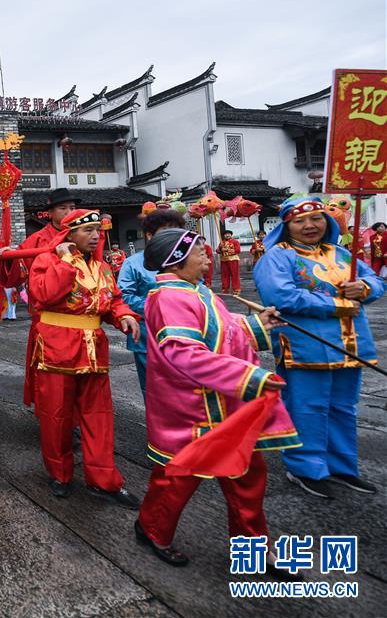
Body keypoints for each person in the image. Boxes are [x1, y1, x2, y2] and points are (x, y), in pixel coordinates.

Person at [134, 229, 298, 567]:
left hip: (225, 406)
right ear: (176, 261)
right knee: (177, 480)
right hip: (194, 411)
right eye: (199, 251)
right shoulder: (169, 297)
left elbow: (222, 331)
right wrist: (250, 377)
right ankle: (151, 529)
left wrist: (257, 324)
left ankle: (255, 548)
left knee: (247, 477)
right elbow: (186, 354)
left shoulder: (197, 290)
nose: (207, 255)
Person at [254, 197, 383, 499]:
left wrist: (365, 288)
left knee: (343, 407)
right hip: (305, 346)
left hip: (351, 344)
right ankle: (305, 468)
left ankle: (341, 466)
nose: (309, 225)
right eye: (299, 221)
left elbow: (376, 281)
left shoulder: (342, 253)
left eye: (316, 218)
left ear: (327, 221)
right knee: (307, 408)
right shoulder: (277, 257)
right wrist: (338, 305)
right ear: (287, 226)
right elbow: (281, 296)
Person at [27, 209, 142, 506]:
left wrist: (124, 315)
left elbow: (113, 300)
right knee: (56, 418)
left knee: (99, 418)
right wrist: (66, 261)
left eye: (97, 231)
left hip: (93, 353)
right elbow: (44, 295)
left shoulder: (102, 267)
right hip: (57, 351)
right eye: (88, 231)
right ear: (69, 235)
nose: (95, 236)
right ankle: (59, 474)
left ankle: (103, 480)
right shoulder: (47, 261)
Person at [117, 209, 185, 396]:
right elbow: (124, 296)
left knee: (184, 390)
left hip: (184, 333)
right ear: (149, 235)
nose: (172, 236)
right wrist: (159, 307)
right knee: (153, 390)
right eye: (166, 231)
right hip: (148, 333)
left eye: (176, 231)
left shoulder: (185, 260)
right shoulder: (133, 263)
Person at [18, 188, 80, 269]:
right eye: (63, 208)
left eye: (72, 208)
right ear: (50, 213)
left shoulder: (82, 234)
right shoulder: (38, 239)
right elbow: (19, 262)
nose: (69, 212)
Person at [216, 229, 241, 294]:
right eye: (226, 234)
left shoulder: (235, 242)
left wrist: (227, 250)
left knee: (234, 275)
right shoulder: (221, 243)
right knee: (225, 275)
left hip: (233, 259)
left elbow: (237, 250)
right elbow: (217, 250)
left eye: (229, 234)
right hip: (224, 260)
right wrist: (221, 249)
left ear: (231, 235)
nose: (227, 235)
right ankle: (225, 288)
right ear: (224, 235)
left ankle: (236, 289)